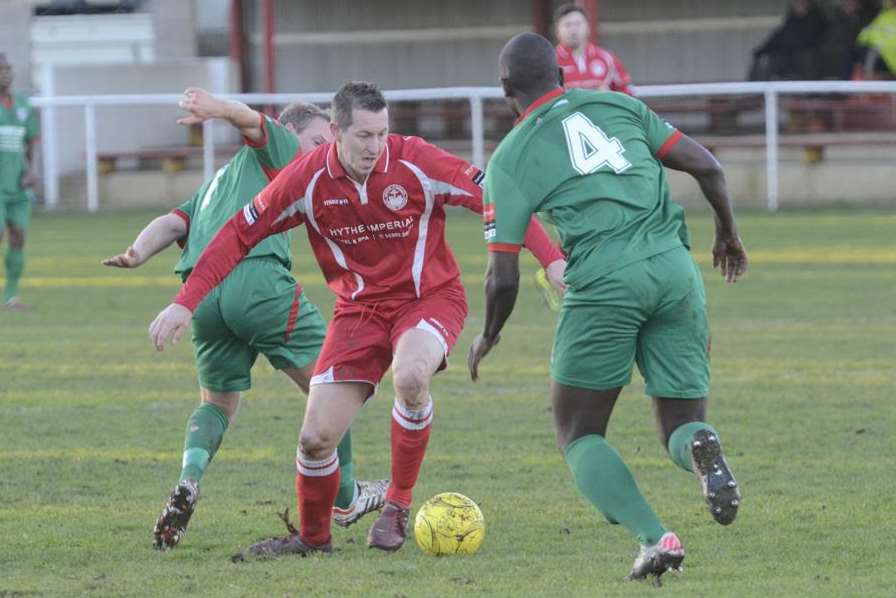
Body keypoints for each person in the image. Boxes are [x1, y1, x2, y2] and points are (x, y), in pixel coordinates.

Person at [148, 81, 567, 557]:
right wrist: (186, 301)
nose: (375, 147)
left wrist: (550, 258)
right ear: (335, 131)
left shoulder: (414, 160)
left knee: (410, 375)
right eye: (364, 136)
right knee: (315, 440)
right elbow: (237, 234)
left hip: (427, 298)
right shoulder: (306, 178)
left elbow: (498, 195)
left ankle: (397, 506)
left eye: (382, 133)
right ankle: (313, 538)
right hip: (358, 313)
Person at [468, 33, 748, 583]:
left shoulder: (509, 159)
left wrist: (489, 335)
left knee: (579, 433)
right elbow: (708, 167)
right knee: (682, 424)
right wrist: (728, 236)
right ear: (562, 74)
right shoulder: (619, 104)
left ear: (505, 89)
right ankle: (700, 447)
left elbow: (502, 277)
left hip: (603, 284)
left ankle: (654, 537)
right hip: (674, 270)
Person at [103, 89, 387, 551]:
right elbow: (250, 120)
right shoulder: (279, 148)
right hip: (255, 280)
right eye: (318, 141)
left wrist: (136, 253)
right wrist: (218, 108)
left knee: (219, 403)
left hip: (204, 295)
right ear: (290, 132)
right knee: (335, 380)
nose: (324, 152)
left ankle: (189, 479)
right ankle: (349, 495)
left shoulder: (220, 180)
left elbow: (173, 223)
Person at [0, 53, 39, 310]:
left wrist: (31, 171)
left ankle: (11, 295)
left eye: (8, 68)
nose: (6, 73)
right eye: (1, 69)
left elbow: (30, 144)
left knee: (18, 237)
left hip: (17, 188)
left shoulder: (24, 105)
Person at [554, 3, 633, 94]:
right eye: (568, 25)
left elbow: (627, 93)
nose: (573, 29)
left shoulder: (606, 58)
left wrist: (610, 97)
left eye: (578, 24)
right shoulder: (550, 62)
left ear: (588, 27)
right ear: (557, 31)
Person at [749, 0, 828, 80]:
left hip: (805, 61)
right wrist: (761, 51)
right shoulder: (791, 20)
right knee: (764, 61)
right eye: (796, 2)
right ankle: (751, 90)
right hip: (787, 57)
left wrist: (785, 46)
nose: (799, 4)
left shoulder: (817, 19)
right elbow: (777, 38)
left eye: (803, 2)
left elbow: (804, 41)